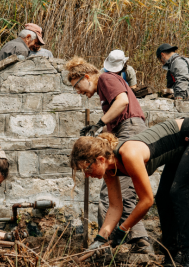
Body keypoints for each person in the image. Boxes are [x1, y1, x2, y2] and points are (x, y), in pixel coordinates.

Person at [71, 117, 189, 267]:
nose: (87, 175)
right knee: (164, 198)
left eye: (87, 169)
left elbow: (146, 201)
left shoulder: (129, 154)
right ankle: (172, 261)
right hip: (181, 146)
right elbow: (115, 207)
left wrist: (123, 229)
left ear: (101, 159)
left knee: (180, 194)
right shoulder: (110, 170)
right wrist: (100, 239)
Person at [65, 56, 154, 256]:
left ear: (86, 76)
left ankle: (109, 245)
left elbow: (122, 101)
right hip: (126, 129)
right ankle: (139, 242)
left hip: (129, 130)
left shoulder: (105, 78)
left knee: (111, 193)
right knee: (126, 189)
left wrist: (99, 123)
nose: (79, 92)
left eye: (77, 86)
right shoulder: (105, 87)